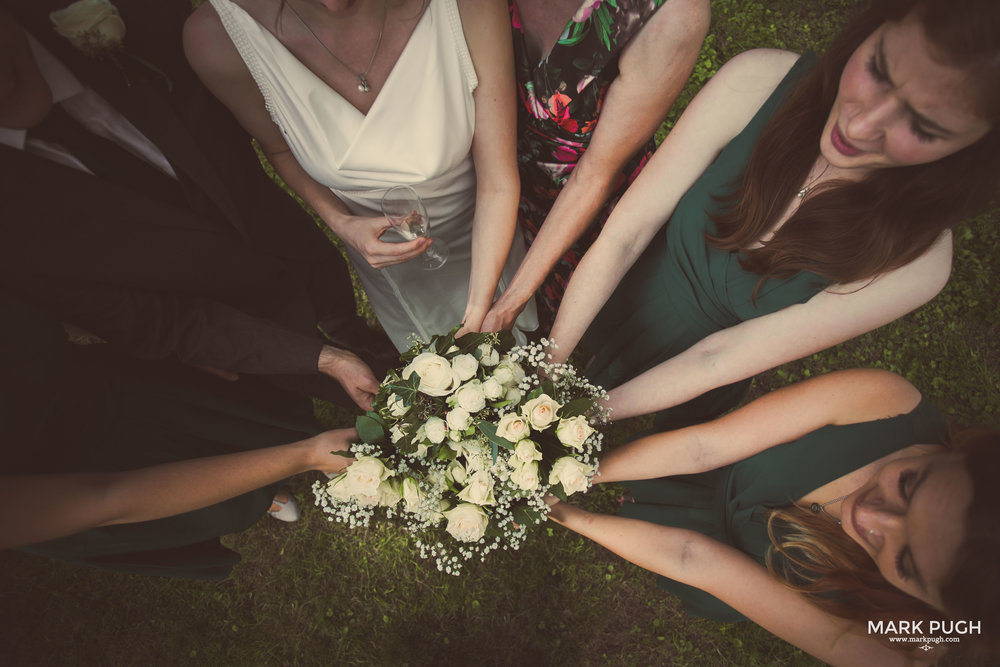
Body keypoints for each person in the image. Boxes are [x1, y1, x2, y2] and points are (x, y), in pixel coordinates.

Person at [548, 0, 1000, 427]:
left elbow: (721, 357)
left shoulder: (918, 261)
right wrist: (547, 365)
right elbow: (627, 234)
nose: (860, 126)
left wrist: (580, 420)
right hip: (611, 288)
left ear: (970, 156)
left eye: (921, 127)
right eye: (878, 69)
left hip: (686, 373)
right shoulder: (760, 80)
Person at [0, 0, 386, 410]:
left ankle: (354, 331)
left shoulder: (120, 17)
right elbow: (150, 319)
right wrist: (319, 359)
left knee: (338, 304)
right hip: (232, 324)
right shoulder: (14, 231)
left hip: (286, 239)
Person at [546, 369, 1000, 664]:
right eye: (910, 485)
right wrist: (569, 474)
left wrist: (566, 514)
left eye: (905, 563)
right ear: (961, 451)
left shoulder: (898, 643)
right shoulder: (886, 403)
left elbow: (692, 558)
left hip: (730, 568)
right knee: (653, 483)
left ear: (931, 608)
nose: (871, 515)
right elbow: (703, 448)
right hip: (713, 471)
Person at [184, 0, 538, 352]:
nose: (334, 5)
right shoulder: (217, 38)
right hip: (386, 259)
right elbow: (278, 149)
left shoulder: (468, 5)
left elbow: (498, 180)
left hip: (488, 225)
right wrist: (341, 223)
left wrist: (477, 315)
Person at [0, 294, 356, 580]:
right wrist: (304, 455)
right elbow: (108, 496)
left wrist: (169, 344)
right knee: (224, 496)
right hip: (95, 478)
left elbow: (48, 301)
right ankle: (267, 493)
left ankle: (279, 467)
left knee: (250, 416)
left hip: (108, 384)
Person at [481, 0, 709, 330]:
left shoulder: (672, 13)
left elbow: (595, 174)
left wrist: (509, 304)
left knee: (581, 315)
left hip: (583, 203)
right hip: (495, 179)